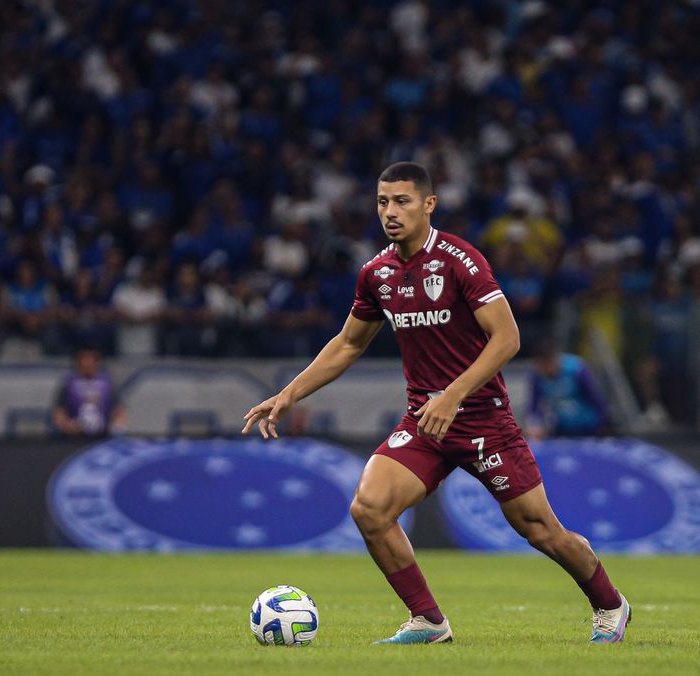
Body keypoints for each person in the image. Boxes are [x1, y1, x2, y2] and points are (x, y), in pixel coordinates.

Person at [243, 162, 630, 645]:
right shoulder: (376, 273)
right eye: (383, 202)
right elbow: (347, 344)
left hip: (483, 420)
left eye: (402, 201)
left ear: (429, 204)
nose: (390, 211)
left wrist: (454, 394)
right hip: (425, 421)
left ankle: (610, 603)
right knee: (370, 508)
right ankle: (428, 621)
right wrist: (288, 395)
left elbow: (506, 338)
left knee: (541, 531)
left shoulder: (461, 261)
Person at [527, 343, 610, 439]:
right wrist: (535, 424)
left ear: (554, 359)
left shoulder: (577, 369)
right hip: (561, 430)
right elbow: (534, 405)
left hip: (588, 428)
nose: (545, 371)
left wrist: (602, 424)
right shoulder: (537, 376)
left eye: (547, 365)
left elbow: (596, 398)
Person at [52, 345, 126, 437]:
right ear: (77, 362)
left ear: (97, 362)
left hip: (103, 437)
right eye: (83, 359)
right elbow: (59, 413)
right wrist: (67, 425)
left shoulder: (108, 384)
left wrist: (115, 427)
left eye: (90, 359)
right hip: (73, 437)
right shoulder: (68, 384)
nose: (87, 364)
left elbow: (119, 412)